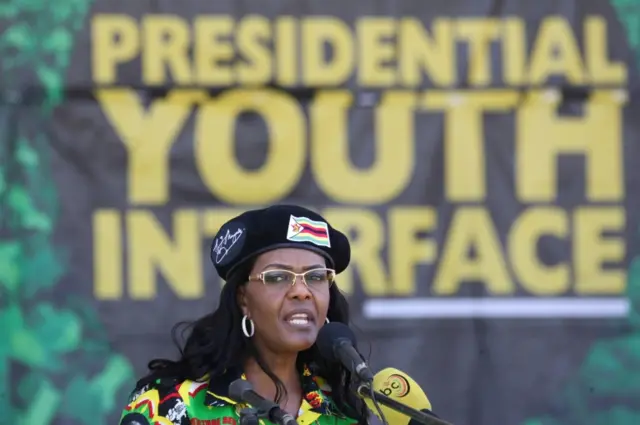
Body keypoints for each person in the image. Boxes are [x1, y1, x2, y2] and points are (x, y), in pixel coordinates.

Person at [119, 205, 369, 425]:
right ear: (243, 299)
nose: (301, 292)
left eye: (315, 277)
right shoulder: (173, 404)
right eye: (277, 277)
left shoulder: (340, 411)